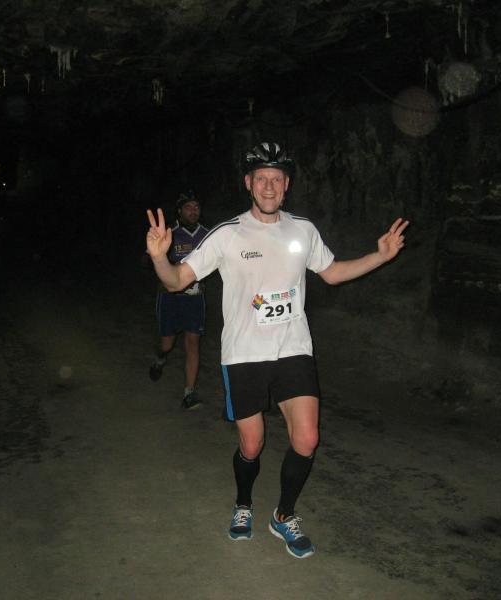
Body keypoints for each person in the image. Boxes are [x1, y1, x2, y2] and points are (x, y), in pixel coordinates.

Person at [145, 142, 408, 559]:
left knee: (307, 438)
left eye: (277, 179)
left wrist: (380, 256)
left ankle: (284, 515)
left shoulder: (303, 230)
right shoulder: (226, 234)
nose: (269, 186)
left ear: (287, 186)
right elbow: (177, 281)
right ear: (248, 183)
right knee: (252, 445)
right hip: (244, 354)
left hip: (293, 348)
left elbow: (332, 273)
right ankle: (243, 504)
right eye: (261, 178)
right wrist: (160, 258)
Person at [148, 191, 209, 410]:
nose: (193, 211)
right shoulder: (169, 233)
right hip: (170, 299)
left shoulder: (207, 235)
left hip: (195, 300)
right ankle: (160, 358)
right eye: (188, 207)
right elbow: (150, 263)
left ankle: (188, 393)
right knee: (167, 344)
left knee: (193, 343)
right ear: (180, 211)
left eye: (196, 207)